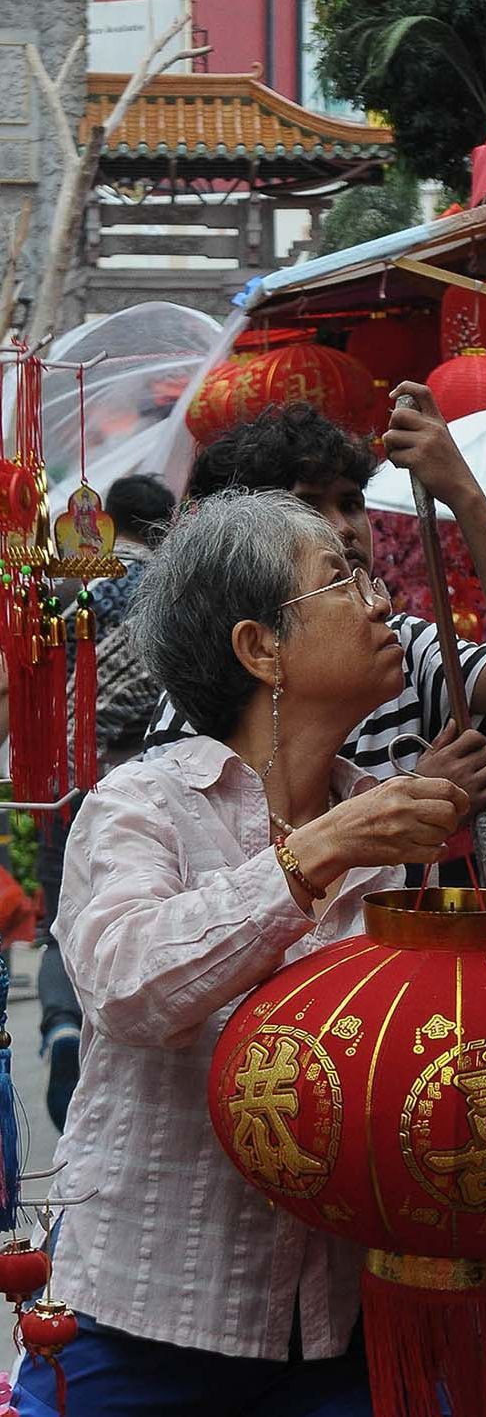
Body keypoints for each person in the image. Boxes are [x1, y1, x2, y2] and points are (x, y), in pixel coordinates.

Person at [13, 490, 468, 1417]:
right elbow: (129, 984)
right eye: (344, 580)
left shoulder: (386, 822)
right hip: (148, 1316)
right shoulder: (144, 803)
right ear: (261, 648)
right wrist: (316, 853)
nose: (384, 604)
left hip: (347, 1316)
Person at [145, 385, 486, 816]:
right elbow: (216, 855)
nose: (344, 528)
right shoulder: (207, 689)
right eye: (308, 507)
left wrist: (463, 493)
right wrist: (407, 805)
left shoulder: (397, 646)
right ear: (257, 649)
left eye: (351, 504)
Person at [37, 473, 176, 1131]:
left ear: (110, 522)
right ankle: (103, 1042)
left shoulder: (68, 580)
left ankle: (62, 1025)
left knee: (60, 916)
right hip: (143, 776)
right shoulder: (173, 588)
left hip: (65, 768)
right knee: (126, 910)